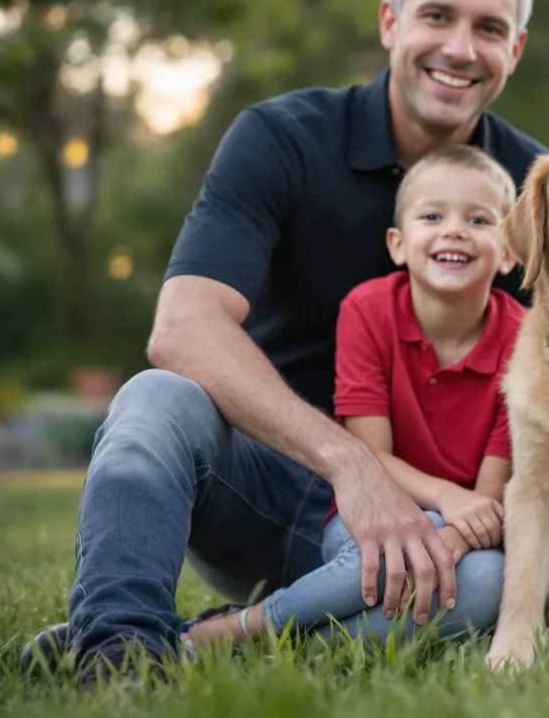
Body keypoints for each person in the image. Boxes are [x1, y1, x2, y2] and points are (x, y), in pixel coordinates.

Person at [21, 0, 547, 683]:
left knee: (482, 588)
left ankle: (200, 644)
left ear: (517, 50)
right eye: (438, 16)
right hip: (258, 484)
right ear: (391, 20)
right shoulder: (281, 138)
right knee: (156, 399)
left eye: (489, 28)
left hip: (427, 527)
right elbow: (182, 327)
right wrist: (350, 465)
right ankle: (114, 650)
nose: (461, 48)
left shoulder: (537, 188)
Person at [184, 146, 523, 649]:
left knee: (489, 585)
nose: (454, 230)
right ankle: (241, 630)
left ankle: (258, 643)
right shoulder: (368, 310)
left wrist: (449, 541)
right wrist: (448, 502)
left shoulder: (526, 337)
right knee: (397, 550)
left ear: (510, 252)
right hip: (370, 512)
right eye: (432, 216)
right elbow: (373, 457)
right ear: (398, 244)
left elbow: (490, 496)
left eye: (479, 219)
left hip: (469, 539)